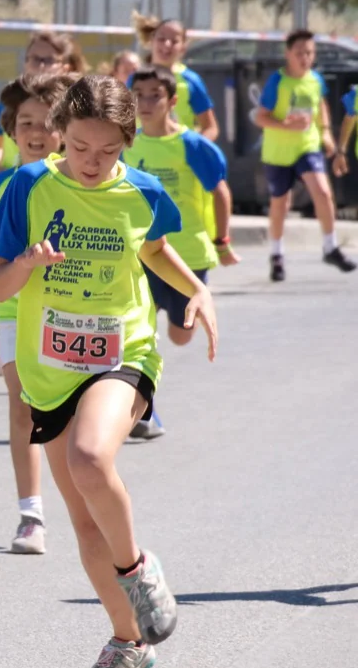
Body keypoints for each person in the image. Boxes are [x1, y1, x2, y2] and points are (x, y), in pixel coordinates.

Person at [0, 75, 218, 668]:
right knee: (86, 528)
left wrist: (199, 289)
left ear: (127, 144)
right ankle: (127, 643)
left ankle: (140, 573)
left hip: (123, 352)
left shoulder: (141, 192)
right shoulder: (28, 187)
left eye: (108, 151)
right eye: (81, 147)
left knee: (92, 456)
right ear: (60, 135)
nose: (92, 162)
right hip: (49, 367)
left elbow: (157, 249)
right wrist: (28, 264)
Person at [0, 72, 74, 555]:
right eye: (25, 121)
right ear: (11, 128)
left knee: (67, 411)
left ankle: (83, 494)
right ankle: (31, 514)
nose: (35, 130)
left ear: (64, 129)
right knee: (21, 399)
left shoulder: (79, 179)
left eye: (46, 122)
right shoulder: (3, 184)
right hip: (13, 304)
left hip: (69, 305)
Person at [127, 65, 236, 439]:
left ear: (172, 101)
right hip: (141, 253)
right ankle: (144, 411)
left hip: (186, 254)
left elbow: (220, 192)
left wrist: (222, 241)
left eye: (154, 95)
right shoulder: (127, 142)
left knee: (180, 335)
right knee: (140, 331)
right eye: (138, 95)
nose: (145, 102)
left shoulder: (193, 146)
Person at [254, 28, 355, 280]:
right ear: (288, 53)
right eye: (300, 52)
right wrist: (285, 124)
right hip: (278, 152)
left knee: (322, 190)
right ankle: (276, 254)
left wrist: (326, 133)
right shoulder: (278, 82)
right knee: (281, 203)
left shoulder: (315, 80)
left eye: (309, 52)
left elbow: (321, 105)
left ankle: (330, 246)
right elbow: (260, 116)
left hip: (307, 147)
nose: (305, 57)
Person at [0, 30, 84, 176]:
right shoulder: (13, 100)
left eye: (49, 60)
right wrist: (0, 174)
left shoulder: (76, 105)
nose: (41, 65)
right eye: (35, 59)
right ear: (25, 62)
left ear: (66, 66)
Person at [131, 14, 216, 140]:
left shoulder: (190, 81)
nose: (167, 44)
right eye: (161, 39)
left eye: (174, 41)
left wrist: (194, 151)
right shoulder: (135, 78)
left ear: (183, 47)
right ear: (151, 40)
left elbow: (210, 127)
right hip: (140, 154)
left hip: (176, 156)